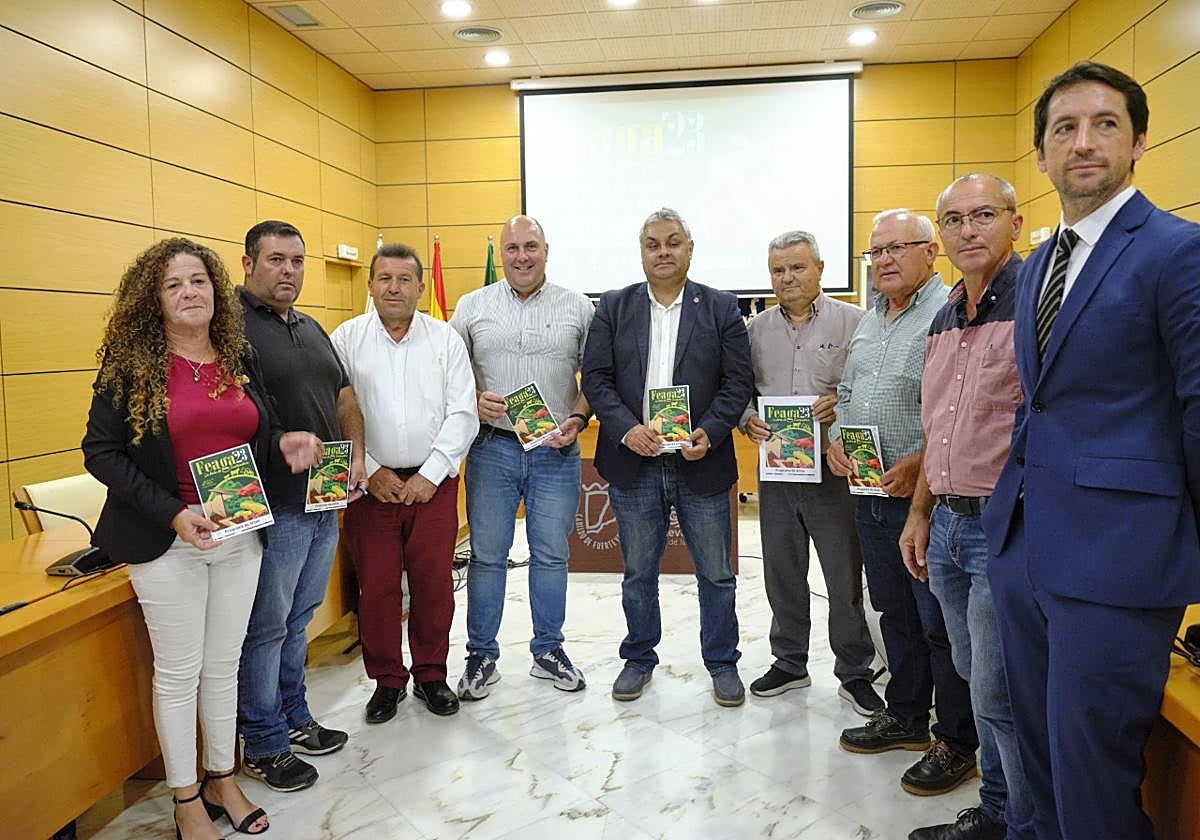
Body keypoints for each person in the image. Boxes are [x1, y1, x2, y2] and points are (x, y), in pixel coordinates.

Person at [981, 61, 1200, 840]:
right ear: (1039, 154)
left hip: (1118, 561)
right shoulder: (1041, 262)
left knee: (1094, 776)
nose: (1083, 142)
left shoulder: (1179, 251)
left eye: (1105, 124)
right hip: (1025, 551)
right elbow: (1039, 404)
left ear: (1140, 139)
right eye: (1064, 128)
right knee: (1038, 764)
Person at [82, 238, 323, 839]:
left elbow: (251, 437)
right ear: (154, 300)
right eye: (174, 285)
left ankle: (222, 777)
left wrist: (283, 446)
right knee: (179, 671)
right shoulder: (131, 365)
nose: (191, 293)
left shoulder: (236, 355)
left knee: (223, 666)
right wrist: (172, 513)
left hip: (239, 530)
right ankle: (186, 797)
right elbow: (100, 451)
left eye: (198, 281)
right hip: (169, 541)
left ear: (217, 287)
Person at [827, 210, 979, 796]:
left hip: (929, 500)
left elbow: (957, 412)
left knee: (939, 623)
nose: (884, 260)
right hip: (869, 495)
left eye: (897, 248)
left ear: (930, 251)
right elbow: (847, 392)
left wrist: (918, 465)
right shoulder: (870, 321)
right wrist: (840, 436)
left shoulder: (948, 315)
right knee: (894, 614)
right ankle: (909, 716)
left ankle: (956, 740)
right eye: (875, 252)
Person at [899, 175, 1029, 840]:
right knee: (973, 677)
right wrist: (920, 513)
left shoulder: (1037, 304)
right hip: (947, 522)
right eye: (953, 219)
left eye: (983, 214)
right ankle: (1002, 809)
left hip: (1005, 530)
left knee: (1000, 695)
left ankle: (1014, 822)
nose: (967, 230)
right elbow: (939, 429)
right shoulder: (947, 312)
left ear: (1016, 221)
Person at [581, 207, 753, 708]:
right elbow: (596, 379)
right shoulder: (613, 306)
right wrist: (627, 429)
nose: (663, 251)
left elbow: (736, 383)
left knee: (716, 572)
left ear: (689, 248)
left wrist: (711, 430)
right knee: (638, 570)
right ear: (642, 252)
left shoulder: (721, 307)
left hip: (701, 460)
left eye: (673, 242)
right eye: (653, 243)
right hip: (635, 463)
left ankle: (722, 663)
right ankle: (638, 657)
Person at [236, 220, 366, 792]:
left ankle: (294, 718)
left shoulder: (312, 328)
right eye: (275, 260)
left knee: (299, 619)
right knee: (266, 627)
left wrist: (356, 452)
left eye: (296, 261)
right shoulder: (229, 330)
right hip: (274, 505)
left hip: (325, 498)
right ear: (247, 264)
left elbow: (342, 394)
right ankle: (261, 741)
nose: (288, 271)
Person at [449, 215, 595, 699]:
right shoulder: (472, 307)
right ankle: (480, 655)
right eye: (512, 248)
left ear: (547, 250)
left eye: (530, 246)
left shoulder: (579, 308)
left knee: (551, 556)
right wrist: (471, 399)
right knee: (487, 557)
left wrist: (576, 421)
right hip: (492, 447)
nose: (521, 256)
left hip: (556, 451)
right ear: (502, 253)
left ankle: (548, 649)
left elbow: (595, 382)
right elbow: (446, 373)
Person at [331, 243, 477, 723]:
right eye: (384, 279)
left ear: (420, 287)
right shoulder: (346, 340)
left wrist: (431, 473)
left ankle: (432, 674)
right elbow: (335, 412)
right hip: (368, 487)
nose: (394, 288)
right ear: (370, 285)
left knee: (435, 584)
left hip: (433, 486)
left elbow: (463, 412)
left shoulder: (445, 340)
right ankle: (387, 681)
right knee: (376, 588)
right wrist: (370, 469)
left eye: (404, 280)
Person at [740, 230, 882, 715]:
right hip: (778, 472)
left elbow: (866, 388)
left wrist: (838, 404)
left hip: (833, 470)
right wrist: (746, 419)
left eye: (797, 268)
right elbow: (738, 390)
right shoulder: (754, 330)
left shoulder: (856, 323)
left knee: (843, 575)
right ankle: (789, 662)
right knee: (782, 571)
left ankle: (855, 671)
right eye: (778, 270)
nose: (787, 278)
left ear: (820, 269)